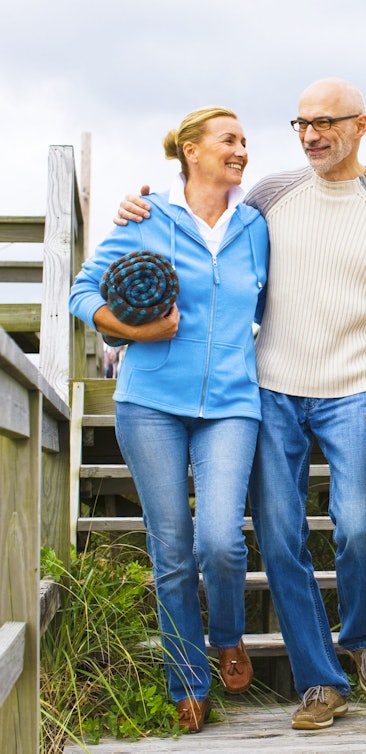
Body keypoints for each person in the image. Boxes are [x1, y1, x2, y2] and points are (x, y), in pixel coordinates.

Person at [117, 78, 366, 731]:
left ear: (361, 125)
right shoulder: (270, 194)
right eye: (300, 124)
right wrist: (140, 205)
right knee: (281, 536)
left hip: (355, 382)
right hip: (271, 385)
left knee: (354, 524)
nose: (311, 135)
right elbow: (207, 218)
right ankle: (321, 682)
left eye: (325, 122)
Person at [73, 107, 268, 733]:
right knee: (173, 550)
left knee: (219, 539)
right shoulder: (147, 215)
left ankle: (229, 633)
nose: (241, 149)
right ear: (189, 149)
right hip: (150, 402)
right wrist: (131, 328)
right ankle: (187, 677)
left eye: (244, 141)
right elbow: (83, 292)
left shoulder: (256, 226)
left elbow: (291, 293)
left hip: (233, 403)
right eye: (228, 140)